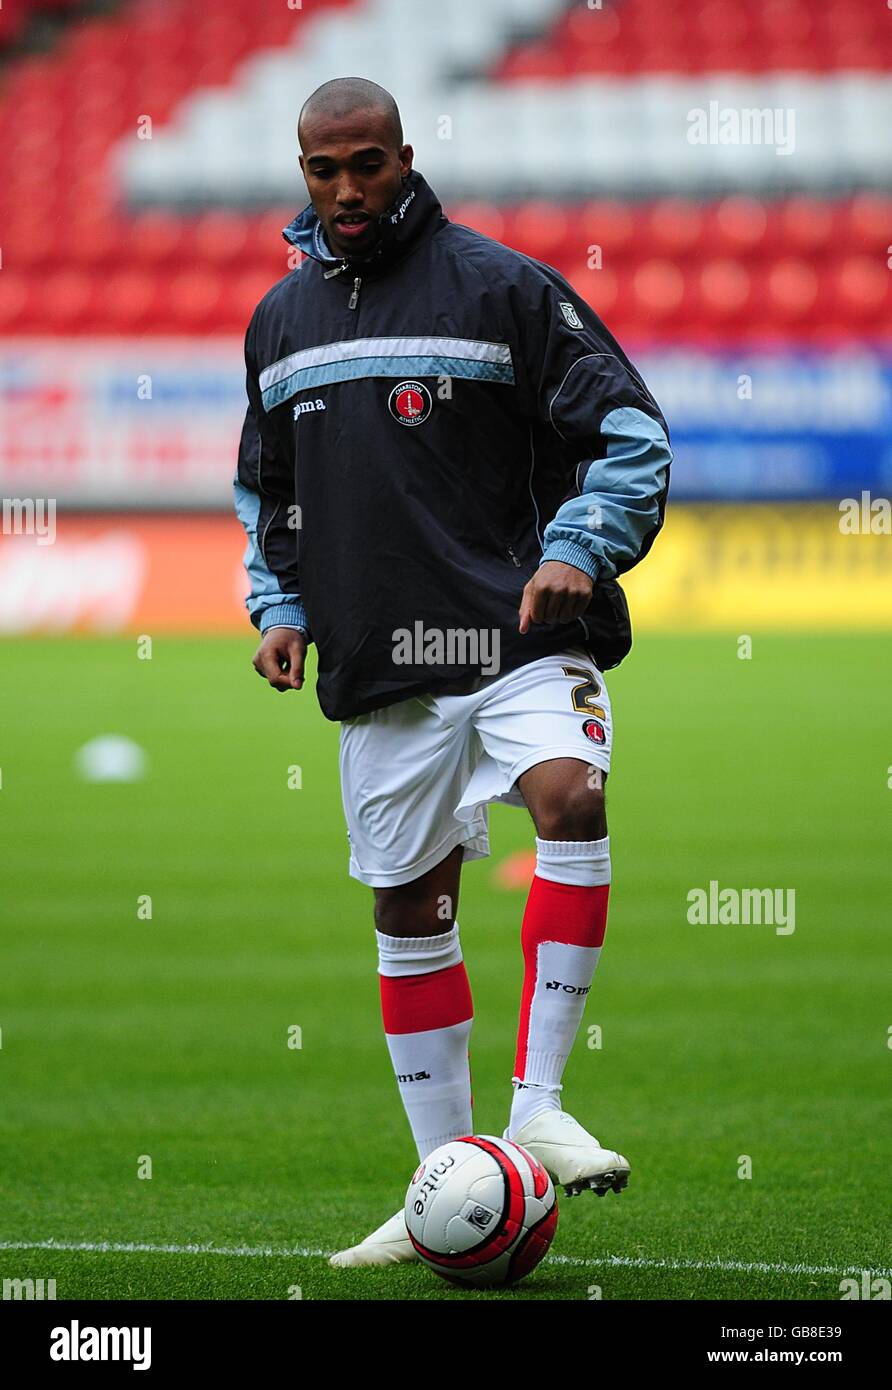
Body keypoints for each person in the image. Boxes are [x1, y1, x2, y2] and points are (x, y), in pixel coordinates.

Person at [234, 76, 671, 1268]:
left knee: (569, 798)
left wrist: (580, 545)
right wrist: (279, 605)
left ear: (405, 159)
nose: (344, 190)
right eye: (322, 170)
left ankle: (538, 1102)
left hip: (513, 631)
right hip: (384, 658)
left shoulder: (504, 287)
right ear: (303, 170)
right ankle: (443, 1172)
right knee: (408, 906)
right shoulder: (277, 321)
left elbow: (629, 433)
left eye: (365, 165)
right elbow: (270, 495)